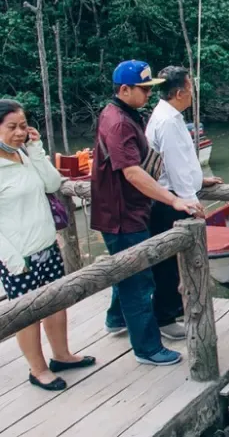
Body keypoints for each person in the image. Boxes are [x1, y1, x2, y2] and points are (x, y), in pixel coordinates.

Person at [91, 60, 204, 366]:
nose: (147, 95)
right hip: (121, 214)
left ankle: (117, 318)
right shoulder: (119, 122)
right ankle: (148, 348)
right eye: (143, 89)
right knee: (139, 282)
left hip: (130, 210)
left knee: (127, 271)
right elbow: (132, 173)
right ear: (124, 89)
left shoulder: (127, 114)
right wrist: (174, 199)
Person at [0, 99, 95, 391]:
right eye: (12, 127)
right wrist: (13, 260)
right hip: (20, 256)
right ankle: (37, 369)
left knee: (56, 304)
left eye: (23, 126)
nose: (19, 132)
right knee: (27, 315)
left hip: (47, 246)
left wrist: (36, 150)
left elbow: (53, 184)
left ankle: (62, 355)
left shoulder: (24, 154)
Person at [145, 66, 224, 340]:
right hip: (170, 200)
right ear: (179, 93)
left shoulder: (171, 116)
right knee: (168, 262)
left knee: (173, 261)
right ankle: (165, 317)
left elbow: (185, 160)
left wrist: (201, 181)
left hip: (176, 195)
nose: (193, 94)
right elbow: (175, 167)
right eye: (191, 89)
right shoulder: (166, 121)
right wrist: (189, 201)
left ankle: (174, 307)